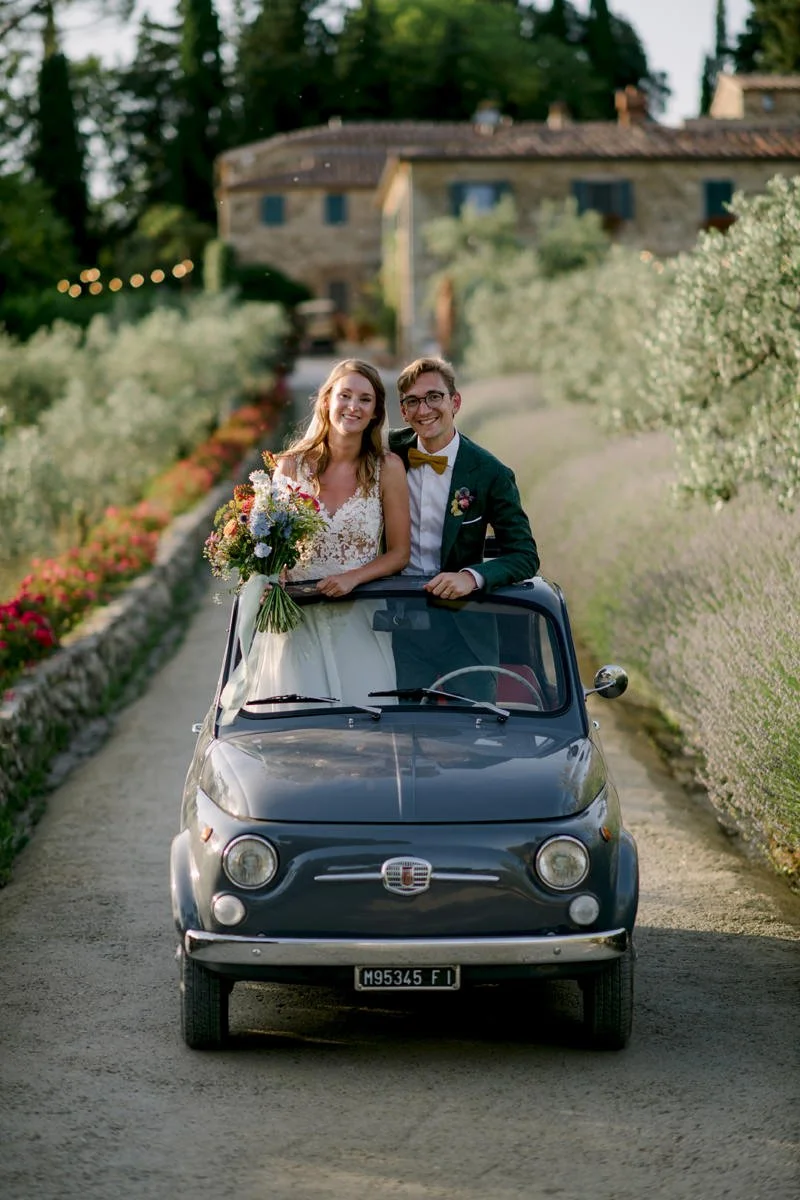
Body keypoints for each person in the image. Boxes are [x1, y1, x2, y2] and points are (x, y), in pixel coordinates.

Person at [219, 359, 410, 720]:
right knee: (297, 730)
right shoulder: (291, 467)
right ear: (326, 401)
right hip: (297, 620)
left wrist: (354, 577)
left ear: (375, 412)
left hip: (359, 617)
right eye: (345, 395)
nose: (353, 406)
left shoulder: (388, 469)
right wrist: (270, 572)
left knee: (368, 730)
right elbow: (270, 542)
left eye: (365, 400)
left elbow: (400, 553)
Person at [387, 356, 539, 698]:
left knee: (473, 734)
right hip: (395, 624)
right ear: (404, 411)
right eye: (413, 401)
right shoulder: (387, 453)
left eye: (434, 397)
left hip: (465, 628)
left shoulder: (490, 473)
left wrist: (470, 577)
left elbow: (524, 555)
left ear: (455, 402)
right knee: (396, 733)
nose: (424, 409)